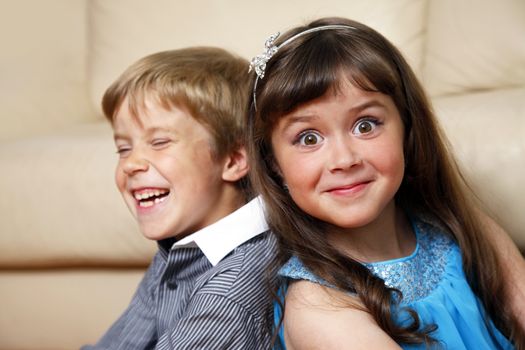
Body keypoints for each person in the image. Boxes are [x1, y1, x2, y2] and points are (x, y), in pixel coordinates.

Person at [246, 17, 525, 349]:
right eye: (308, 138)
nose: (344, 159)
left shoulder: (459, 228)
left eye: (366, 125)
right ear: (274, 164)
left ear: (407, 128)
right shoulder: (317, 307)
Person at [82, 47, 278, 349]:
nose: (131, 163)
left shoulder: (232, 289)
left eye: (159, 142)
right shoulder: (182, 247)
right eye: (123, 149)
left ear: (234, 159)